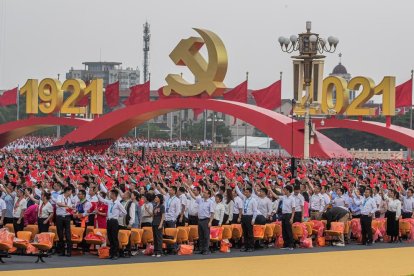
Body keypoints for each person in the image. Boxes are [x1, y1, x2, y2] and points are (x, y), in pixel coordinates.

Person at [97, 189, 127, 260]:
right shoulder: (109, 202)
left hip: (114, 221)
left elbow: (124, 212)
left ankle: (115, 254)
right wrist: (97, 193)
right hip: (109, 221)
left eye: (111, 194)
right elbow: (102, 200)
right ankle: (111, 253)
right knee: (110, 238)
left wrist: (118, 215)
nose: (109, 195)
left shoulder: (118, 203)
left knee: (114, 238)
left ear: (114, 195)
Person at [186, 184, 214, 255]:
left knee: (206, 236)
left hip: (206, 220)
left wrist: (210, 222)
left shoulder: (210, 202)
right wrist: (189, 189)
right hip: (200, 220)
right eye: (204, 192)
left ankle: (206, 249)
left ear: (209, 195)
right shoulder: (201, 200)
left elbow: (212, 213)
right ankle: (201, 249)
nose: (204, 194)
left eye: (205, 193)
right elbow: (194, 196)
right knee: (200, 235)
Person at [235, 184, 258, 252]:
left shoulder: (253, 200)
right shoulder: (244, 198)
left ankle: (251, 247)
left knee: (249, 232)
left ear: (250, 193)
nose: (245, 193)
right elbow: (239, 192)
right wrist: (236, 185)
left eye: (247, 192)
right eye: (245, 192)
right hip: (244, 216)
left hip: (249, 217)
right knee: (244, 233)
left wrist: (253, 219)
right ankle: (246, 246)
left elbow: (255, 211)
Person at [56, 186, 74, 256]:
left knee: (68, 234)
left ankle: (69, 251)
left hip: (67, 217)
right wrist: (67, 206)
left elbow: (69, 208)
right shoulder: (60, 196)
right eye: (70, 191)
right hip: (60, 217)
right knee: (60, 234)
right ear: (67, 191)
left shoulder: (69, 199)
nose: (71, 193)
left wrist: (71, 209)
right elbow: (58, 203)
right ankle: (62, 251)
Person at [280, 185, 295, 250]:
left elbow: (293, 209)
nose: (284, 191)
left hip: (289, 215)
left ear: (288, 190)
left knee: (289, 230)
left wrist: (292, 218)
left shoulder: (292, 198)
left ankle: (291, 245)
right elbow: (276, 196)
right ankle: (285, 244)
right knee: (284, 230)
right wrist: (270, 190)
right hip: (283, 214)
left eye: (285, 190)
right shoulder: (284, 197)